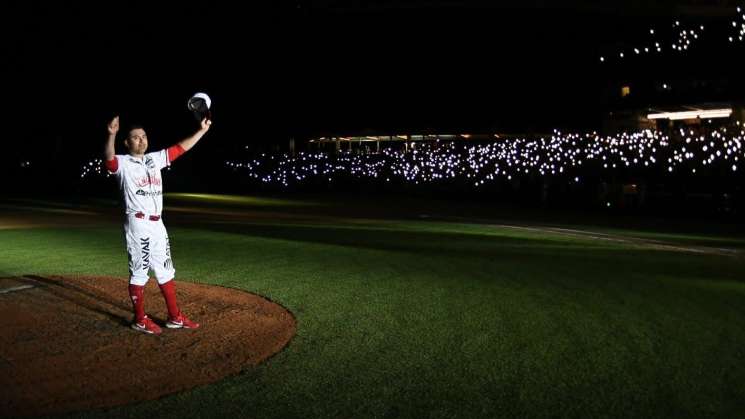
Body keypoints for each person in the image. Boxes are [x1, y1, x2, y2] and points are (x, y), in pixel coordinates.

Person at [104, 115, 211, 334]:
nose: (141, 140)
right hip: (138, 223)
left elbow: (181, 148)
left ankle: (175, 317)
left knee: (165, 270)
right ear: (127, 142)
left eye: (143, 136)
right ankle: (140, 319)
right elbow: (109, 159)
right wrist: (111, 135)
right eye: (135, 138)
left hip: (157, 224)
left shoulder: (155, 159)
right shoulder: (123, 163)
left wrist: (201, 131)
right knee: (140, 271)